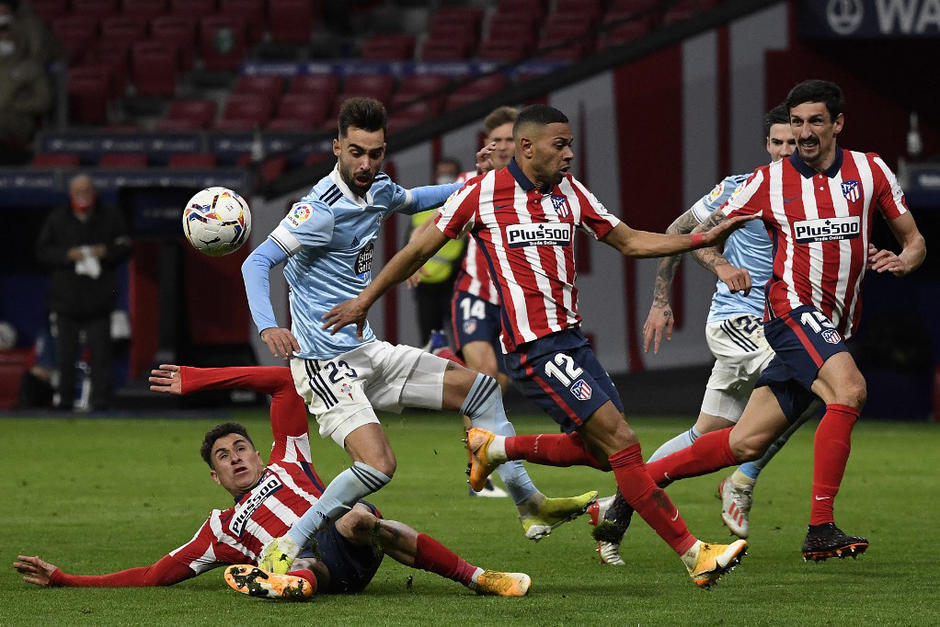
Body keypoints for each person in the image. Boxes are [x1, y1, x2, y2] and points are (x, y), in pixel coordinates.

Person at [320, 104, 756, 588]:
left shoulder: (572, 191)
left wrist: (702, 238)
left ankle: (499, 447)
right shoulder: (481, 194)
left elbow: (630, 241)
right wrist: (364, 302)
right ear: (527, 148)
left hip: (573, 340)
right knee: (625, 445)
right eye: (560, 144)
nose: (570, 153)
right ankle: (694, 553)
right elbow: (417, 251)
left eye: (570, 143)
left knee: (602, 454)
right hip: (536, 347)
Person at [241, 97, 596, 573]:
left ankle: (528, 503)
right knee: (379, 466)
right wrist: (268, 324)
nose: (366, 164)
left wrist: (475, 184)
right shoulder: (318, 211)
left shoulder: (378, 188)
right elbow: (257, 261)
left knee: (482, 391)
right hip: (324, 364)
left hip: (366, 350)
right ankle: (287, 542)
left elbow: (415, 200)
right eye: (356, 153)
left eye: (375, 153)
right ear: (336, 148)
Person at [634, 79, 926, 561]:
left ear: (838, 123)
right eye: (796, 123)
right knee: (849, 390)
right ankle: (820, 528)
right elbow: (696, 232)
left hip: (833, 322)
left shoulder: (870, 170)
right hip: (789, 312)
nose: (804, 133)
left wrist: (904, 260)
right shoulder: (765, 182)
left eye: (814, 121)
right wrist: (717, 267)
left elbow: (913, 240)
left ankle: (631, 491)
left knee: (744, 443)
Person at [13, 365, 531, 599]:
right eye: (223, 457)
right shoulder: (220, 529)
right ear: (215, 478)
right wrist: (67, 580)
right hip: (323, 573)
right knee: (300, 563)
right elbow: (153, 575)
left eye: (240, 448)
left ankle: (480, 577)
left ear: (258, 453)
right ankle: (289, 584)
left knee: (359, 518)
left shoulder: (290, 458)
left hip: (348, 538)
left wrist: (200, 379)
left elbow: (285, 382)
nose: (235, 458)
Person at [589, 104, 803, 565]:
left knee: (705, 432)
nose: (787, 151)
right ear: (767, 145)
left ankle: (620, 504)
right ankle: (742, 480)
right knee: (811, 379)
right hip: (738, 320)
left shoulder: (815, 194)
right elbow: (680, 231)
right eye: (779, 142)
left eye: (795, 142)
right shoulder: (742, 188)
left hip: (780, 323)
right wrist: (679, 290)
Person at [35, 174, 132, 411]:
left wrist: (104, 251)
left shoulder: (110, 216)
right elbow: (42, 251)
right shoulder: (58, 218)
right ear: (71, 194)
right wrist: (67, 255)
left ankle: (100, 402)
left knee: (101, 355)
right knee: (65, 356)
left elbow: (125, 247)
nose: (83, 195)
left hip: (99, 301)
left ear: (94, 192)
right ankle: (65, 401)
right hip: (65, 300)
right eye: (79, 191)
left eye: (87, 190)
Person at [407, 157, 466, 345]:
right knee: (430, 340)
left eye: (449, 173)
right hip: (425, 283)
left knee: (463, 338)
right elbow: (409, 243)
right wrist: (410, 267)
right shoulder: (423, 207)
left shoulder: (464, 203)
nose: (445, 177)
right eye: (442, 173)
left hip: (455, 281)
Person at [0, 11, 51, 165]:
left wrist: (13, 106)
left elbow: (44, 101)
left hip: (18, 120)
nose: (3, 39)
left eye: (6, 35)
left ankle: (17, 159)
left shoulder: (30, 67)